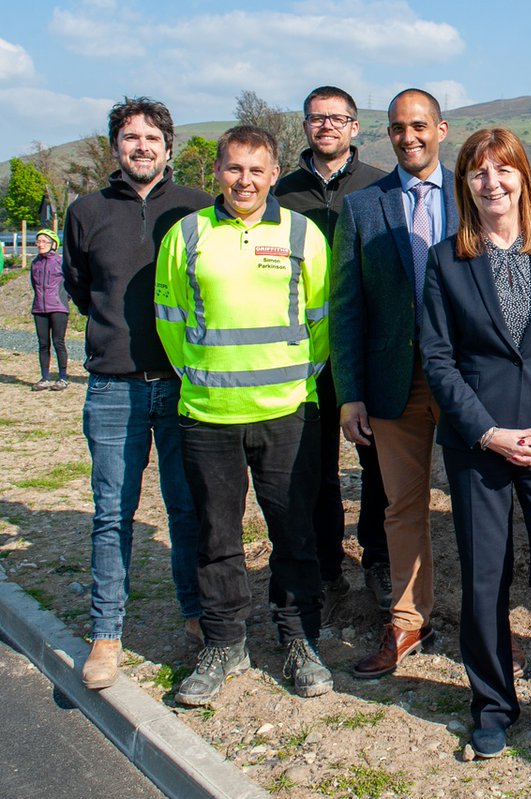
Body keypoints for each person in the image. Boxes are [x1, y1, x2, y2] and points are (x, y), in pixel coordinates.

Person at [421, 128, 531, 762]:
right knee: (485, 576)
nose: (492, 183)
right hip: (479, 445)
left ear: (524, 177)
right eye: (477, 173)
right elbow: (438, 360)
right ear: (464, 184)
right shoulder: (446, 262)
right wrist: (488, 432)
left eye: (504, 171)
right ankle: (493, 705)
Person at [156, 125, 333, 704]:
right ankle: (224, 642)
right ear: (217, 172)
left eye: (256, 170)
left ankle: (298, 639)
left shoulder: (302, 233)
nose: (245, 180)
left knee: (293, 534)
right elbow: (170, 319)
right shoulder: (188, 235)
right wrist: (202, 377)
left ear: (274, 172)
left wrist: (298, 378)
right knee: (217, 537)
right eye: (234, 169)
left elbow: (321, 319)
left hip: (287, 414)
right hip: (207, 414)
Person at [63, 97, 208, 690]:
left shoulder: (198, 208)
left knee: (187, 508)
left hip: (182, 385)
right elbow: (80, 286)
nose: (141, 145)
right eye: (130, 137)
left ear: (168, 147)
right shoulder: (86, 212)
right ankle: (106, 634)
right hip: (113, 386)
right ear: (116, 147)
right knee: (111, 513)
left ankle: (198, 618)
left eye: (152, 136)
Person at [332, 89, 461, 679]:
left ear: (440, 129)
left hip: (468, 381)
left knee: (481, 506)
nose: (408, 137)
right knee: (400, 506)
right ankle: (409, 620)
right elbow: (346, 307)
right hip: (392, 384)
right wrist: (349, 391)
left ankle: (486, 623)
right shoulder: (362, 207)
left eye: (418, 126)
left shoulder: (476, 192)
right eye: (396, 129)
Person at [275, 86, 391, 622]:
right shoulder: (279, 193)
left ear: (354, 127)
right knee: (311, 463)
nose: (327, 126)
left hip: (367, 346)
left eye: (337, 118)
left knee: (378, 461)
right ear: (304, 127)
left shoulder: (380, 186)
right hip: (301, 350)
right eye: (317, 118)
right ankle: (326, 562)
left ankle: (378, 557)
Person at [30, 229, 70, 391]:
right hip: (39, 308)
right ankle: (45, 378)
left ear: (53, 244)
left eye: (44, 241)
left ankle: (62, 378)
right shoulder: (35, 263)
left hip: (58, 308)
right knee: (43, 344)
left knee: (58, 342)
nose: (40, 245)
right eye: (38, 242)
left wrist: (64, 298)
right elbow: (34, 284)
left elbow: (71, 283)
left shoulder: (61, 262)